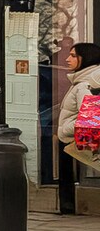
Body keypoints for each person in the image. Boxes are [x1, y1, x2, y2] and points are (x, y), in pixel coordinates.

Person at [55, 42, 100, 213]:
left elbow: (91, 117)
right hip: (74, 137)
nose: (67, 59)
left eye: (73, 55)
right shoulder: (84, 81)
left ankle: (68, 207)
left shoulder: (84, 85)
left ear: (86, 58)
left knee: (69, 174)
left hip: (72, 139)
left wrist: (65, 129)